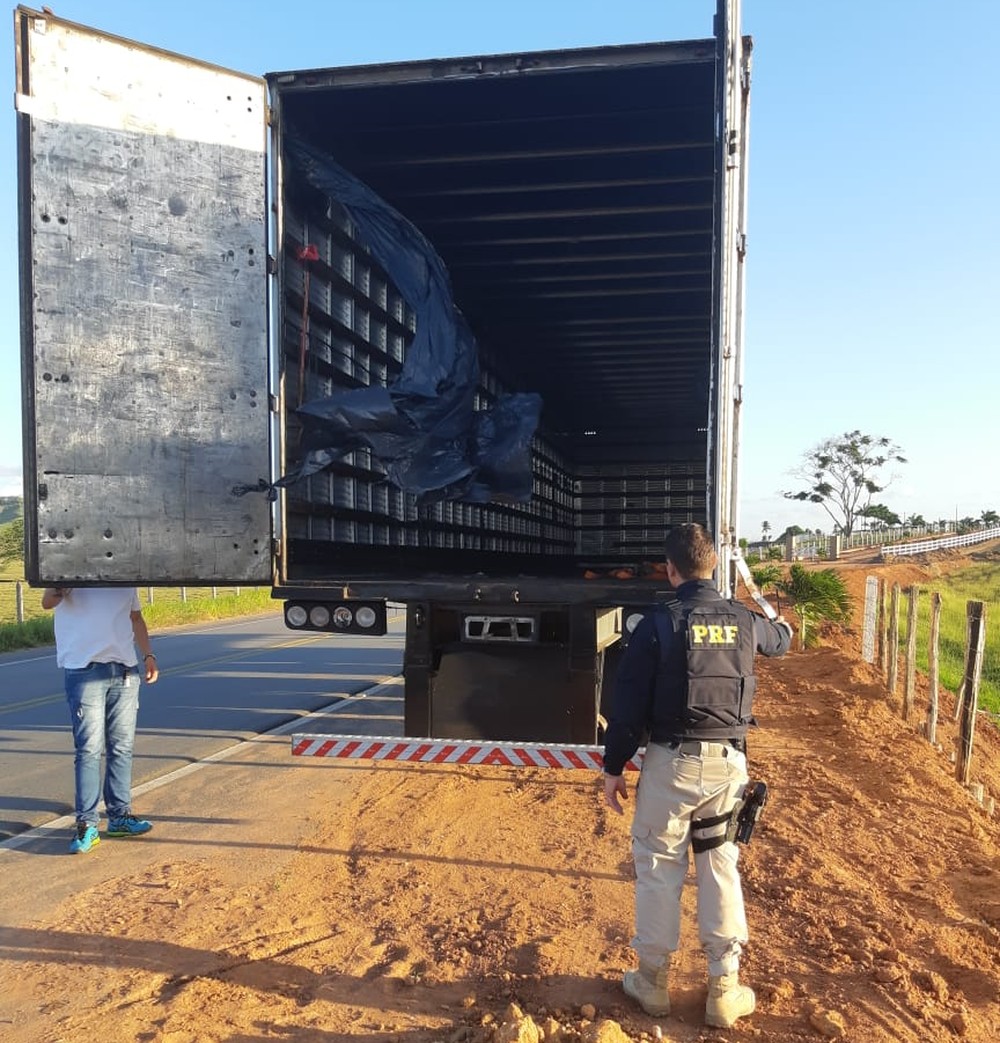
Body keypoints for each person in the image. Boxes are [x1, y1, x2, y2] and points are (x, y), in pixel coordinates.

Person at [602, 523, 792, 1028]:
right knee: (720, 865)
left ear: (670, 571)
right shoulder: (745, 621)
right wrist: (775, 618)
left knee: (659, 867)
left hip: (671, 765)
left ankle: (652, 981)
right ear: (713, 568)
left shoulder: (658, 624)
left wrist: (613, 767)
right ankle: (724, 989)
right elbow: (782, 640)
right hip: (728, 768)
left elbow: (628, 706)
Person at [42, 586, 160, 854]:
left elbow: (136, 618)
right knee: (89, 749)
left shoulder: (124, 575)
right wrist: (63, 587)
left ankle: (119, 817)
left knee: (122, 747)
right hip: (85, 670)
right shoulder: (71, 571)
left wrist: (148, 656)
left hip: (125, 669)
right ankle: (87, 824)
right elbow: (47, 601)